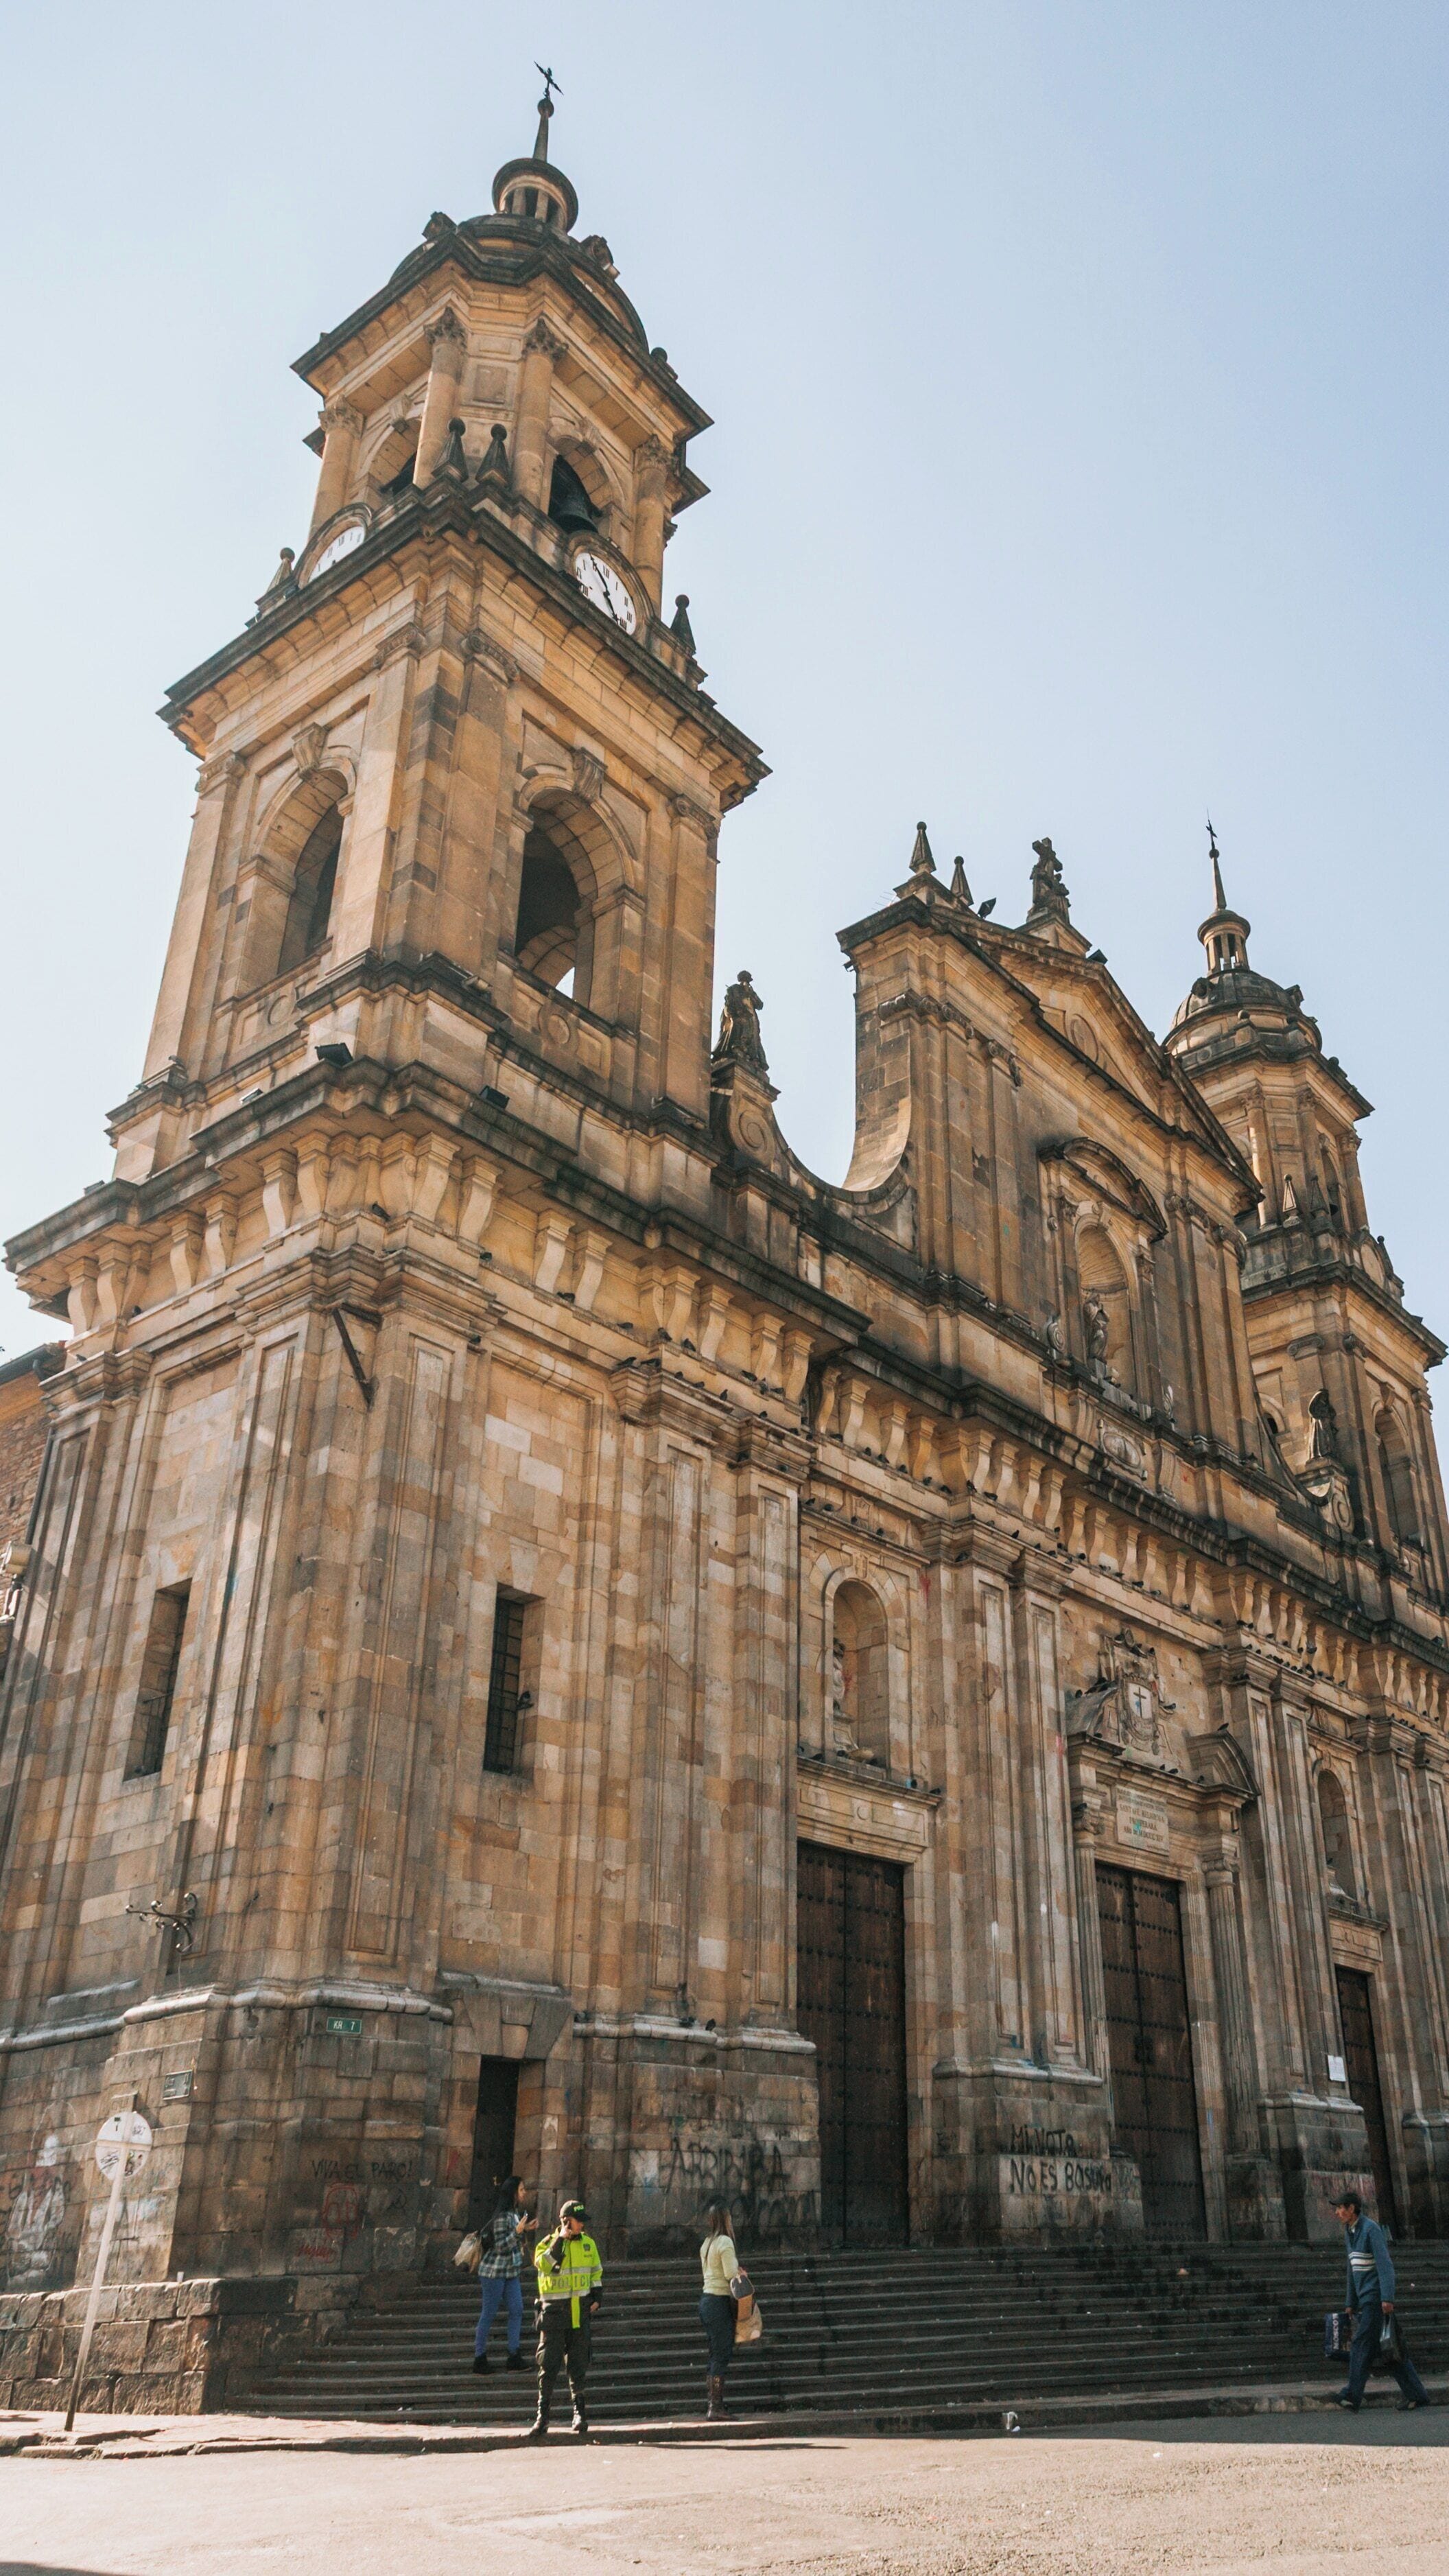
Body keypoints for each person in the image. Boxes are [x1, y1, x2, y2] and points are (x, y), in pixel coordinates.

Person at [1334, 2190, 1430, 2411]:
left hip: (1375, 2298)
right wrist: (1350, 2301)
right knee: (1389, 2349)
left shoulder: (1371, 2230)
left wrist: (1387, 2297)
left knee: (1360, 2344)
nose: (1337, 2212)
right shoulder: (1349, 2232)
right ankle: (1417, 2394)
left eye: (1341, 2208)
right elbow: (1352, 2268)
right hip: (1365, 2298)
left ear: (1352, 2209)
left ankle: (1352, 2395)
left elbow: (1385, 2265)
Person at [528, 2199, 603, 2440]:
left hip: (579, 2314)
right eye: (578, 2221)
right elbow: (546, 2266)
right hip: (553, 2315)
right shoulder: (546, 2245)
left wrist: (597, 2297)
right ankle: (543, 2416)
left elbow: (596, 2273)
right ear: (566, 2221)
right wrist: (561, 2238)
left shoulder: (589, 2245)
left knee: (578, 2365)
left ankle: (579, 2414)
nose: (582, 2225)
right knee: (548, 2365)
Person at [473, 2174, 535, 2374]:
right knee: (489, 2313)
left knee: (517, 2309)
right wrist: (518, 2232)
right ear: (513, 2193)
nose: (524, 2193)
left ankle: (513, 2355)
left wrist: (524, 2228)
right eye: (522, 2189)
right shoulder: (501, 2216)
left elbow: (513, 2239)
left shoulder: (514, 2213)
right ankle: (479, 2357)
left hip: (510, 2271)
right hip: (494, 2272)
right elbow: (500, 2246)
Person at [698, 2201, 740, 2421]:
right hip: (719, 2302)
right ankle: (715, 2407)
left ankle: (714, 2404)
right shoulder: (725, 2242)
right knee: (721, 2353)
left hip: (706, 2301)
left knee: (715, 2352)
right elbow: (731, 2273)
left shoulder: (707, 2243)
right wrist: (741, 2271)